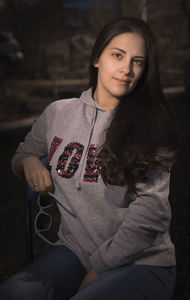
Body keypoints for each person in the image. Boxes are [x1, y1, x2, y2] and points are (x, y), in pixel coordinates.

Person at [0, 16, 177, 300]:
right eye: (117, 55)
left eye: (138, 61)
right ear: (97, 58)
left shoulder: (151, 126)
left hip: (141, 262)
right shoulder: (58, 113)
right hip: (74, 251)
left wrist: (98, 270)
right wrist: (28, 163)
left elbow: (151, 214)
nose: (127, 69)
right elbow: (23, 152)